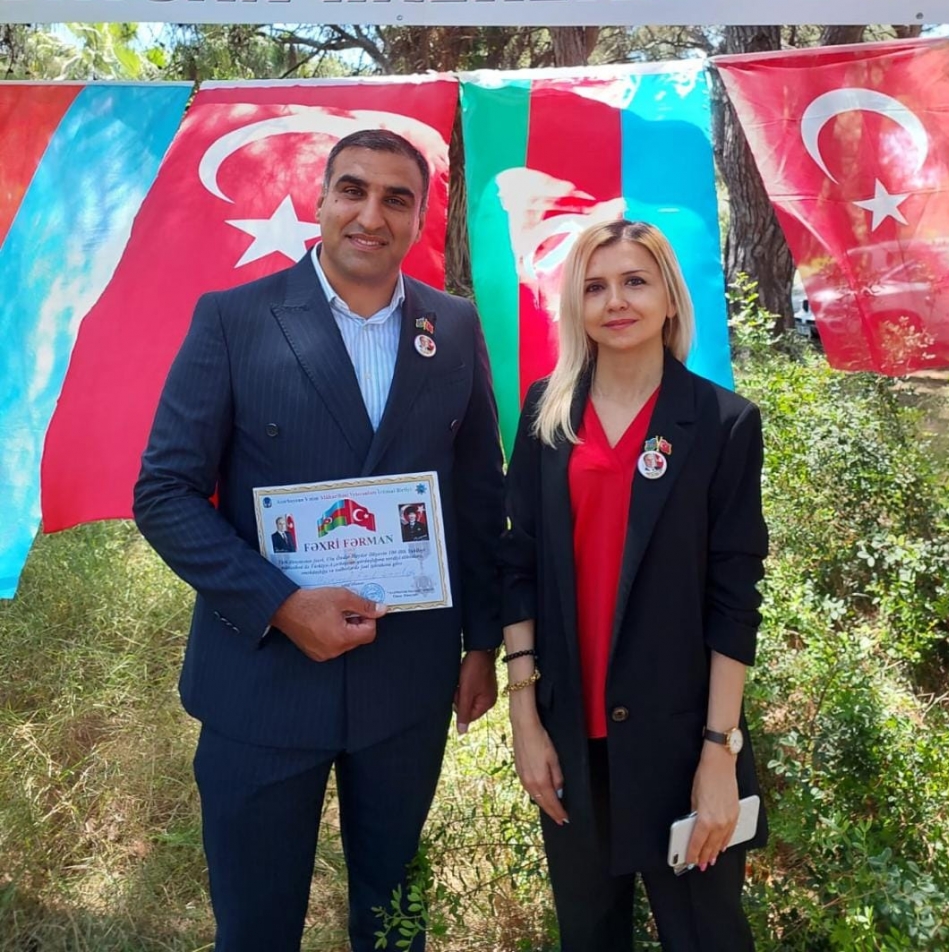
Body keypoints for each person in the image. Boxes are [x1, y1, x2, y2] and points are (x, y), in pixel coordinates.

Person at [133, 128, 504, 952]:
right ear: (321, 201)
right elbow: (163, 493)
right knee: (256, 929)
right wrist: (281, 604)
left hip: (405, 687)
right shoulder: (234, 319)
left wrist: (483, 643)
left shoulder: (453, 327)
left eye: (396, 199)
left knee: (394, 922)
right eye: (352, 190)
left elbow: (479, 499)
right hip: (261, 684)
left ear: (418, 220)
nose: (371, 215)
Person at [500, 219, 768, 952]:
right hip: (572, 745)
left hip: (684, 745)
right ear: (576, 306)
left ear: (670, 298)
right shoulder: (546, 416)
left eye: (634, 282)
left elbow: (734, 600)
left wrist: (719, 753)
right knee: (588, 936)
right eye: (595, 287)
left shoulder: (723, 424)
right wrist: (526, 722)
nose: (615, 301)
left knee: (708, 937)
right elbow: (517, 566)